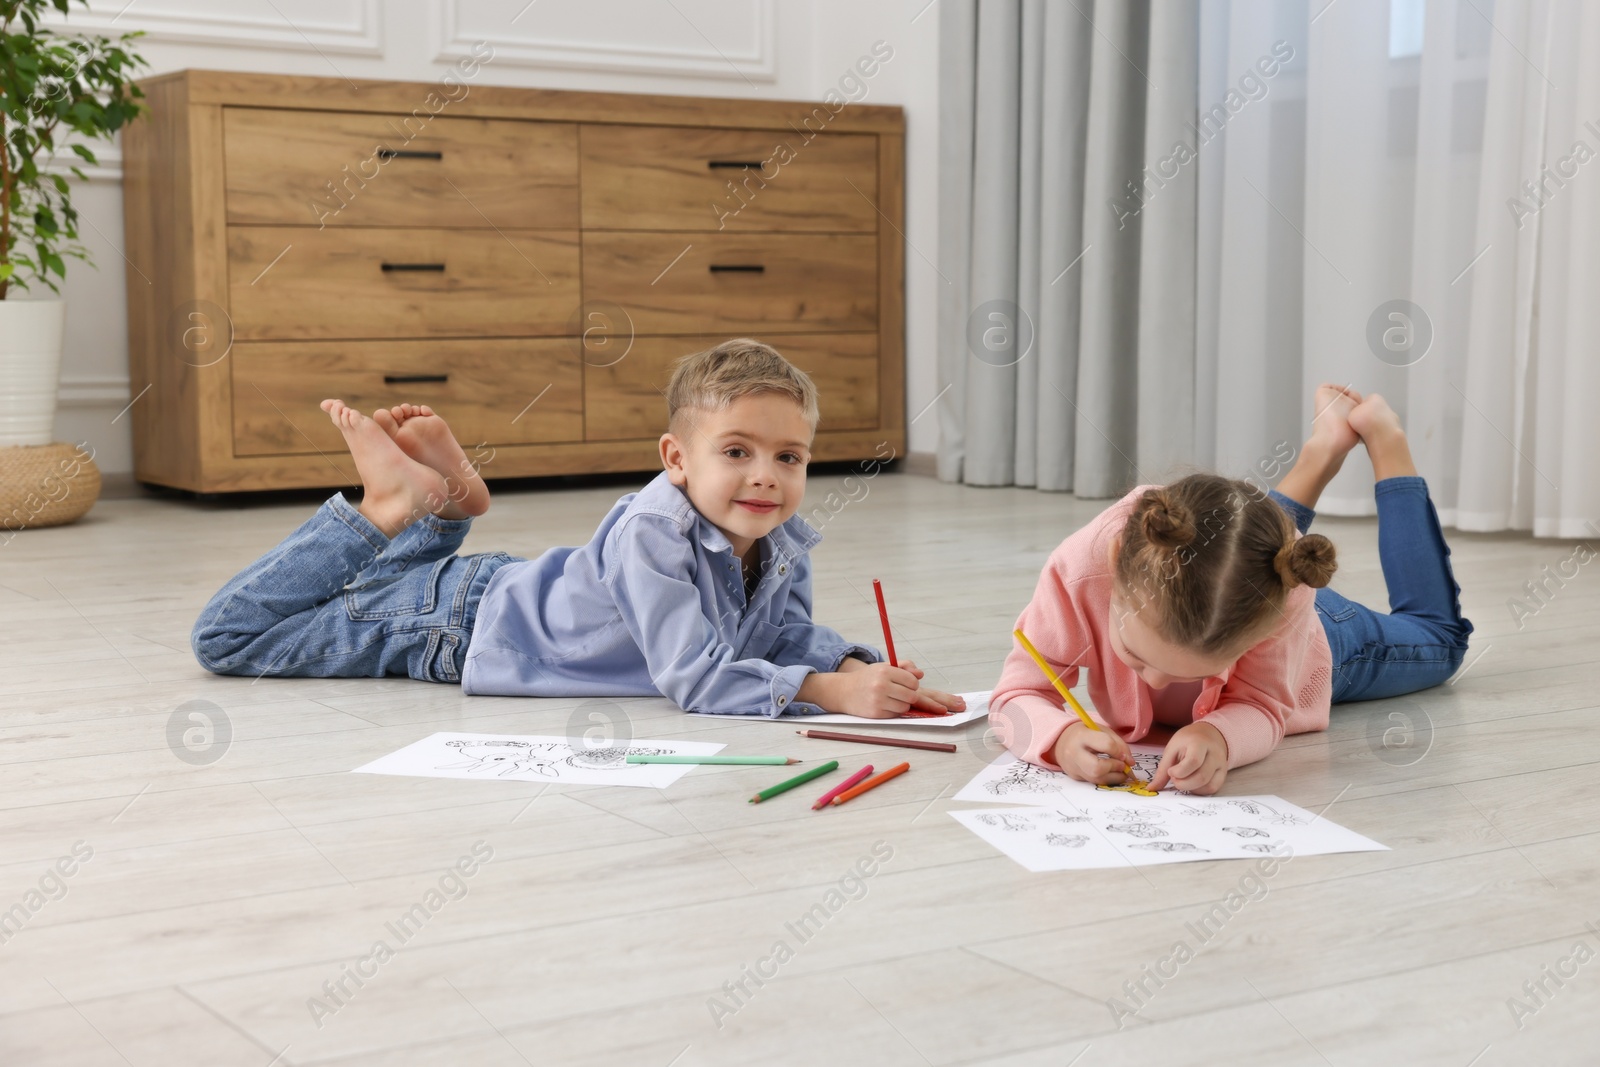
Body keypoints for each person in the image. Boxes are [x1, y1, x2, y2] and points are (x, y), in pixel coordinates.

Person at [192, 339, 963, 719]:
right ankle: (387, 508)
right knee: (228, 640)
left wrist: (860, 665)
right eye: (737, 452)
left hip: (503, 588)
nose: (767, 474)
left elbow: (777, 640)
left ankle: (439, 511)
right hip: (457, 626)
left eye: (788, 456)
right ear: (677, 460)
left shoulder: (777, 535)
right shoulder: (653, 531)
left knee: (365, 591)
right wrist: (830, 694)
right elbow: (692, 677)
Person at [990, 385, 1472, 795]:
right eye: (1136, 658)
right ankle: (1321, 451)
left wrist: (1220, 735)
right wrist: (1061, 736)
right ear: (1116, 567)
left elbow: (1263, 703)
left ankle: (1387, 441)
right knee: (1242, 544)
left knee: (1441, 641)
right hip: (1250, 581)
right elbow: (1015, 693)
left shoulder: (1285, 604)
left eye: (1194, 672)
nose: (1153, 684)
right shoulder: (1078, 571)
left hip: (1323, 641)